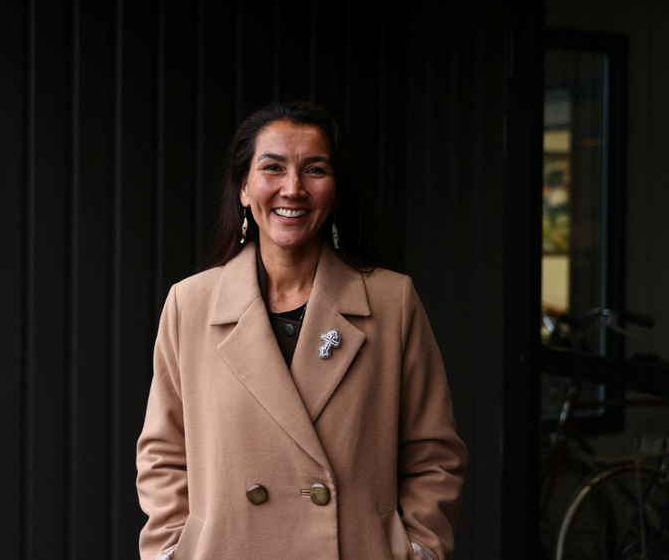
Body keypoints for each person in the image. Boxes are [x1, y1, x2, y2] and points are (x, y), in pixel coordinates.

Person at [136, 101, 467, 560]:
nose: (292, 189)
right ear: (244, 189)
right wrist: (170, 551)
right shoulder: (190, 305)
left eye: (315, 170)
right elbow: (162, 455)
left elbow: (435, 454)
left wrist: (418, 550)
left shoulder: (392, 303)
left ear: (335, 191)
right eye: (273, 168)